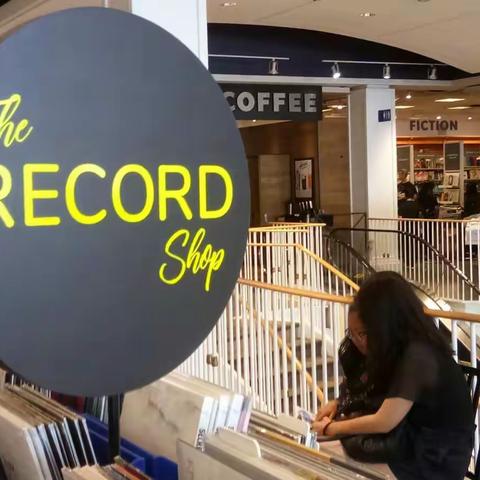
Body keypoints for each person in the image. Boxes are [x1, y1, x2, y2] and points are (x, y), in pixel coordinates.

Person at [313, 272, 474, 480]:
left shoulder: (418, 355)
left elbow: (384, 421)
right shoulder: (399, 347)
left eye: (363, 333)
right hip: (412, 443)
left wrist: (331, 428)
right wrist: (338, 404)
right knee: (329, 451)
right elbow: (371, 394)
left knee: (328, 455)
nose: (357, 342)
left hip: (435, 460)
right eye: (351, 334)